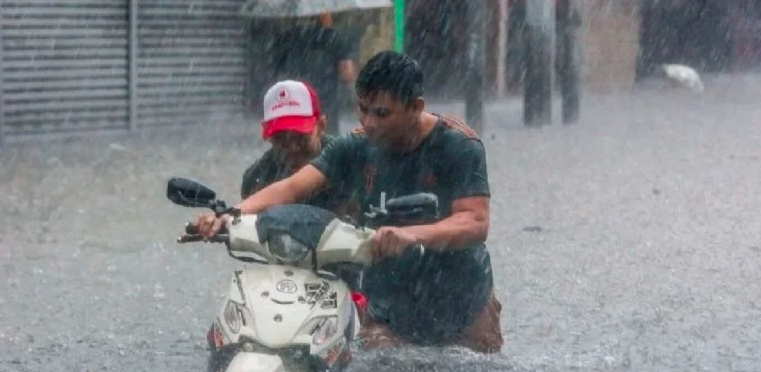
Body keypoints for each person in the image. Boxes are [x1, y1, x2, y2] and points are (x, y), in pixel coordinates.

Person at [195, 50, 503, 353]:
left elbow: (475, 221)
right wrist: (228, 215)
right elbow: (292, 187)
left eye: (382, 113)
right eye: (362, 109)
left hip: (463, 301)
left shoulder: (458, 145)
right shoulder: (355, 147)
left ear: (415, 107)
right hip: (387, 307)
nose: (369, 122)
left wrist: (412, 235)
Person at [240, 79, 350, 214]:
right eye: (280, 139)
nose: (293, 147)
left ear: (321, 125)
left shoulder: (348, 162)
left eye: (300, 137)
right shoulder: (257, 177)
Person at [272, 12, 358, 136]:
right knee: (326, 144)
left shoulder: (288, 36)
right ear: (323, 15)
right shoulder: (333, 37)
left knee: (298, 143)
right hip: (326, 103)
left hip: (295, 102)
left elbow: (278, 69)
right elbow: (347, 74)